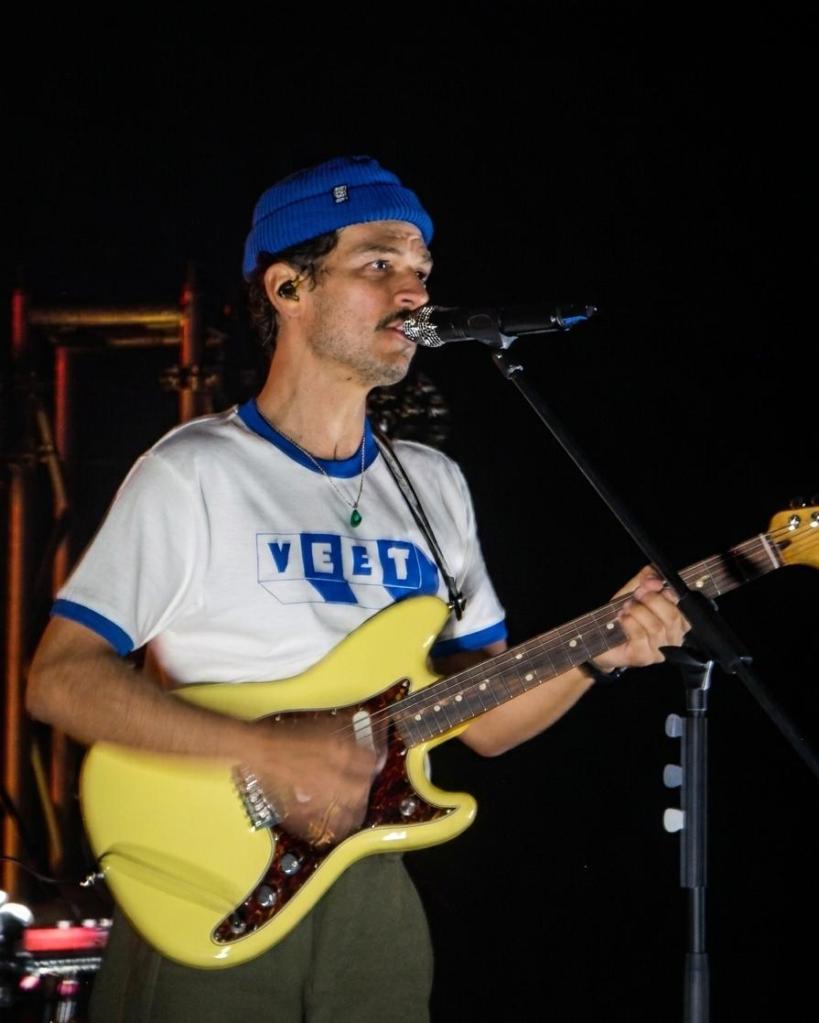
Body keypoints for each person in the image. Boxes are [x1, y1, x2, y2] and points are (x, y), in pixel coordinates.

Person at [26, 155, 688, 1021]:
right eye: (378, 263)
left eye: (420, 271)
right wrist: (264, 750)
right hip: (208, 873)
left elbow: (483, 719)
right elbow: (60, 679)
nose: (412, 292)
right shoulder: (194, 472)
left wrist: (604, 647)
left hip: (371, 888)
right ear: (287, 288)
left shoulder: (433, 484)